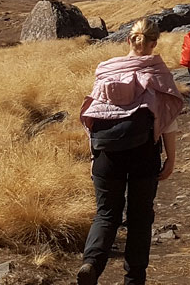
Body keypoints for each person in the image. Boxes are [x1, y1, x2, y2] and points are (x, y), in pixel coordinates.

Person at [76, 18, 184, 285]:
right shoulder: (157, 72)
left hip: (105, 152)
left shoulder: (106, 70)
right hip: (143, 152)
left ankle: (92, 262)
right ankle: (134, 279)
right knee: (139, 217)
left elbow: (94, 114)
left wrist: (94, 157)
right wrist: (170, 158)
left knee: (106, 213)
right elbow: (168, 121)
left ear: (129, 40)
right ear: (154, 42)